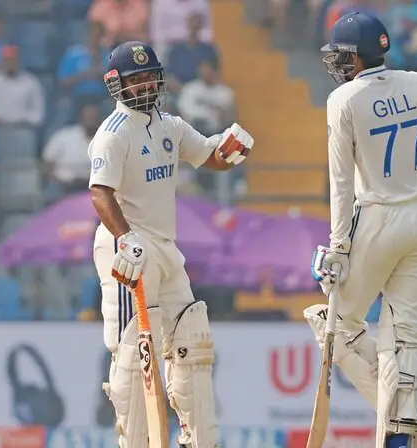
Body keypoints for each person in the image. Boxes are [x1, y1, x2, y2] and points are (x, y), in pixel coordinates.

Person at [306, 11, 417, 448]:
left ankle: (405, 415)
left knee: (336, 324)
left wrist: (338, 246)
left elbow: (341, 181)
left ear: (356, 57)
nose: (337, 64)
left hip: (377, 217)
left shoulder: (344, 99)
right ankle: (402, 430)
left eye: (342, 55)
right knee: (404, 335)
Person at [87, 41, 253, 448]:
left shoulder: (170, 126)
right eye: (136, 79)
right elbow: (99, 193)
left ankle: (198, 440)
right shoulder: (113, 133)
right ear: (118, 85)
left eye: (150, 77)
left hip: (165, 246)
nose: (146, 85)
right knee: (133, 351)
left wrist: (230, 150)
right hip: (127, 248)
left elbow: (208, 156)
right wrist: (125, 239)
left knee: (192, 341)